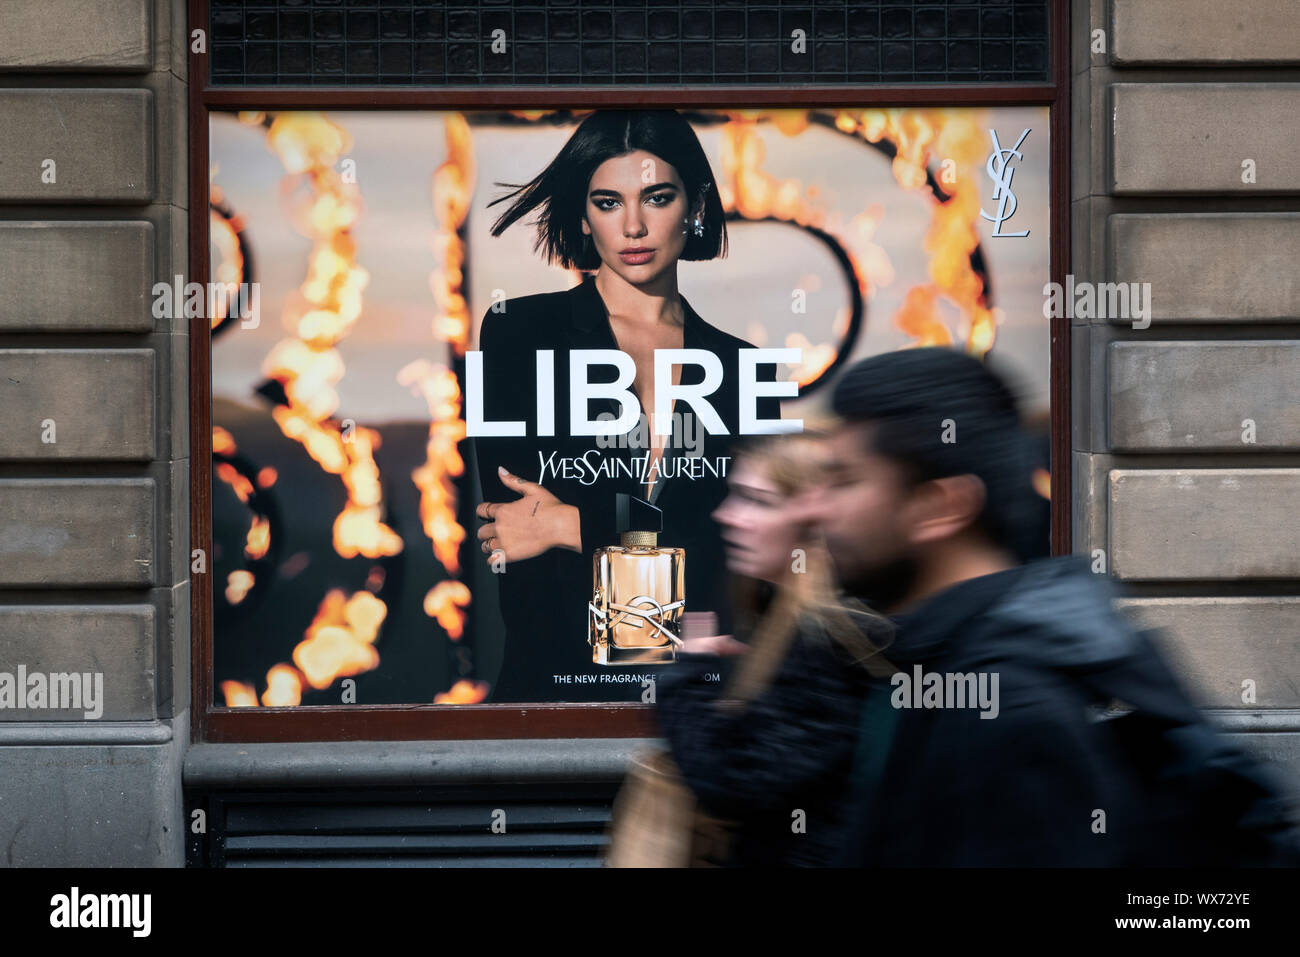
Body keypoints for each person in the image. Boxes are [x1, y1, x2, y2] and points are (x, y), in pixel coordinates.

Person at [803, 346, 1300, 866]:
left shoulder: (1005, 710)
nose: (816, 508)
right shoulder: (928, 666)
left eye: (843, 481)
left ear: (941, 506)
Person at [471, 110, 782, 702]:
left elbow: (747, 561)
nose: (633, 226)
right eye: (608, 202)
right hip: (553, 695)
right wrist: (673, 544)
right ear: (585, 218)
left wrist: (574, 523)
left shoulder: (741, 367)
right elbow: (512, 528)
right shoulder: (521, 332)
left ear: (695, 206)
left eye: (657, 198)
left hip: (698, 701)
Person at [653, 432, 895, 867]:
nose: (726, 515)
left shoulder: (832, 637)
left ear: (814, 520)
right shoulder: (781, 621)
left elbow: (734, 782)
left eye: (757, 501)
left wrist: (686, 679)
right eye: (735, 496)